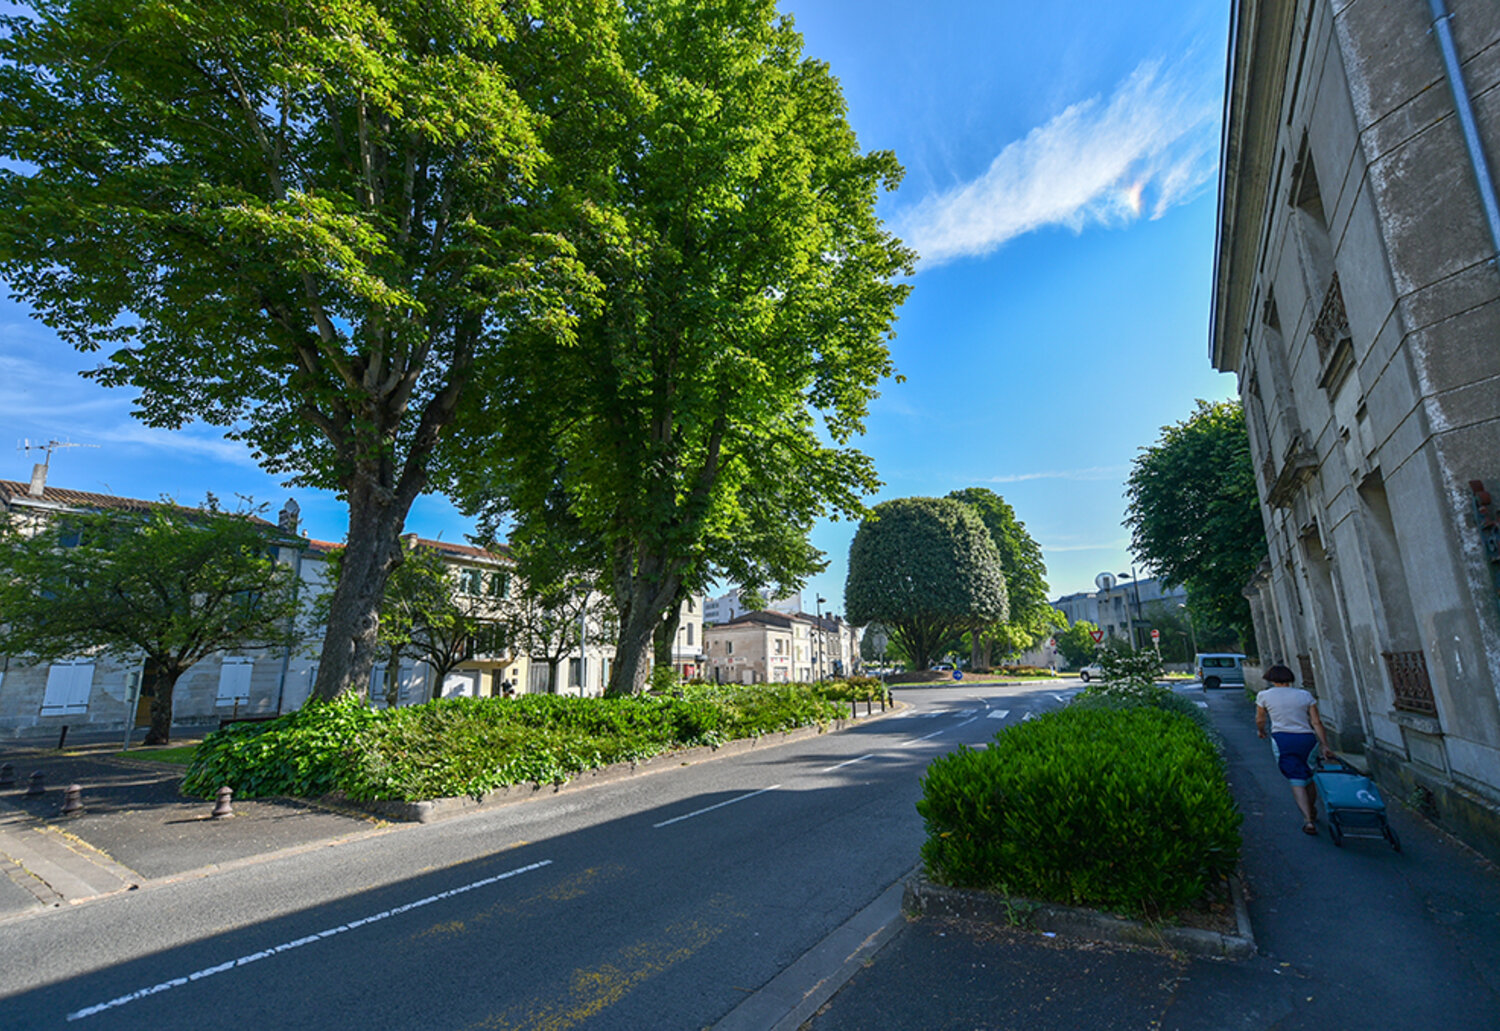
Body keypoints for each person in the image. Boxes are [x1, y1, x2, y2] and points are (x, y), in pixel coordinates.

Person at [1256, 664, 1335, 835]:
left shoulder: (1264, 696)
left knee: (1295, 778)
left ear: (1271, 679)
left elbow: (1260, 719)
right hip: (1307, 739)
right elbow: (1316, 722)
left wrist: (1261, 731)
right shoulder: (1305, 695)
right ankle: (1312, 809)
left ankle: (1308, 820)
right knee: (1309, 774)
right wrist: (1324, 745)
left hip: (1282, 739)